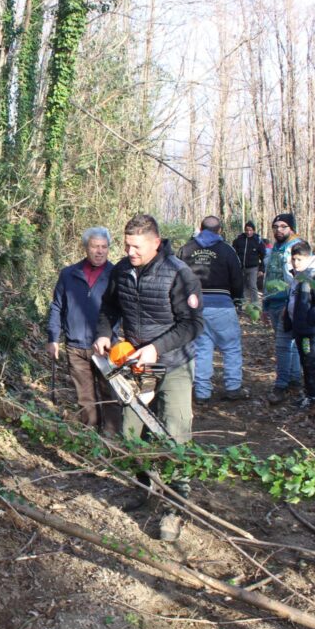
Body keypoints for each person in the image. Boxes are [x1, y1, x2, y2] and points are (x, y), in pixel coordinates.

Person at [95, 214, 204, 541]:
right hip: (134, 364)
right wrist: (103, 333)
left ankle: (175, 505)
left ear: (156, 243)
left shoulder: (179, 275)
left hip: (173, 362)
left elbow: (193, 325)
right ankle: (146, 485)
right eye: (127, 245)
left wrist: (157, 348)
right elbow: (108, 308)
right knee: (131, 431)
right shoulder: (121, 270)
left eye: (137, 246)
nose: (130, 251)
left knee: (175, 430)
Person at [47, 227, 121, 434]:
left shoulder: (116, 274)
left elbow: (123, 309)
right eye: (95, 246)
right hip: (76, 346)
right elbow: (57, 307)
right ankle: (89, 439)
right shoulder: (69, 274)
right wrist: (53, 338)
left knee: (111, 395)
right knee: (85, 399)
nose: (100, 251)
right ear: (86, 248)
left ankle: (113, 440)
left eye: (104, 247)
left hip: (106, 347)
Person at [178, 215, 247, 403]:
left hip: (195, 307)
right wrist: (237, 300)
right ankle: (233, 387)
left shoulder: (186, 249)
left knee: (201, 348)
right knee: (231, 347)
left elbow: (176, 277)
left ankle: (202, 392)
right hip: (222, 305)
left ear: (200, 229)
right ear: (220, 231)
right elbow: (237, 277)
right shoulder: (227, 250)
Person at [282, 241, 315, 410]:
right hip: (300, 329)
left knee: (310, 361)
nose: (296, 263)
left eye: (299, 259)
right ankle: (309, 393)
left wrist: (309, 322)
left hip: (308, 331)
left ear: (309, 258)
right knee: (304, 360)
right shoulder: (298, 276)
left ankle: (314, 396)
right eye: (294, 259)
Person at [263, 213, 303, 404]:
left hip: (290, 304)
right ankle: (294, 379)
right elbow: (269, 276)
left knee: (282, 346)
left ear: (291, 228)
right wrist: (265, 304)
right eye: (276, 226)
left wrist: (292, 304)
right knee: (290, 345)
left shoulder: (296, 247)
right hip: (274, 302)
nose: (279, 230)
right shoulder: (274, 249)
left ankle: (281, 385)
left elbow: (300, 278)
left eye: (283, 226)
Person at [232, 221, 266, 304]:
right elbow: (233, 253)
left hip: (253, 268)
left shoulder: (257, 241)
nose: (248, 232)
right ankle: (241, 303)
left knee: (252, 286)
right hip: (240, 267)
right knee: (240, 286)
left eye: (250, 230)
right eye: (247, 230)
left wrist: (262, 269)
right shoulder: (239, 240)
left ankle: (255, 305)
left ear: (253, 230)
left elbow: (263, 256)